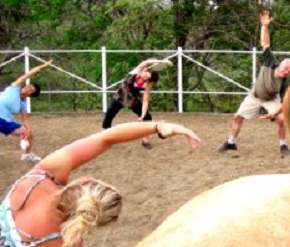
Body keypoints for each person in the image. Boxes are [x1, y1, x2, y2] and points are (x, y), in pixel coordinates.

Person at [0, 121, 200, 247]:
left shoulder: (38, 179)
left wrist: (157, 126)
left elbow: (105, 138)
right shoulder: (65, 241)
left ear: (83, 182)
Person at [218, 10, 290, 156]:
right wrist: (264, 26)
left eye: (289, 72)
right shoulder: (270, 61)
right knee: (237, 117)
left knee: (281, 119)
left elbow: (284, 100)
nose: (286, 72)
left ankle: (283, 145)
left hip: (272, 99)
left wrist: (276, 112)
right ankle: (231, 142)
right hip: (254, 96)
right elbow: (265, 43)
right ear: (280, 65)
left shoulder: (285, 80)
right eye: (285, 69)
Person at [101, 58, 172, 149]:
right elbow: (145, 62)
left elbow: (145, 100)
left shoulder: (147, 83)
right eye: (146, 74)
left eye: (148, 78)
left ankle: (145, 140)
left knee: (147, 117)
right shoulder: (136, 71)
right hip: (120, 97)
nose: (145, 77)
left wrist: (142, 116)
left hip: (133, 101)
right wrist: (160, 61)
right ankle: (106, 136)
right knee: (109, 115)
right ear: (144, 70)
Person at [0, 60, 52, 163]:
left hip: (4, 123)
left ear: (30, 95)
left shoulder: (23, 104)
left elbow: (25, 120)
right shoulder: (14, 87)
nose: (27, 89)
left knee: (30, 134)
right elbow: (28, 74)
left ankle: (27, 155)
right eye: (28, 86)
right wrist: (43, 66)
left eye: (30, 90)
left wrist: (28, 131)